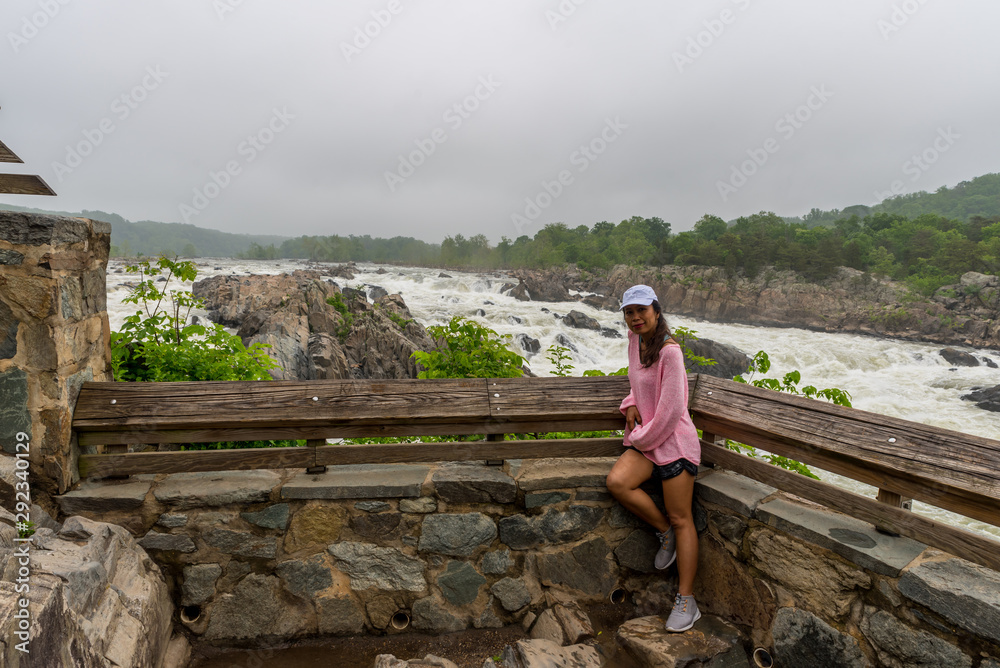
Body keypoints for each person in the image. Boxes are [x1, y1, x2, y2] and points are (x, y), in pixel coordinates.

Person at [605, 284, 702, 632]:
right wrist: (630, 402)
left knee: (681, 517)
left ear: (656, 311)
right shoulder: (636, 342)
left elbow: (672, 408)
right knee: (617, 482)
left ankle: (686, 600)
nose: (635, 318)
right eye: (629, 312)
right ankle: (664, 533)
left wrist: (638, 437)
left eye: (641, 310)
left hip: (674, 442)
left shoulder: (670, 352)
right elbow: (639, 384)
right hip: (649, 441)